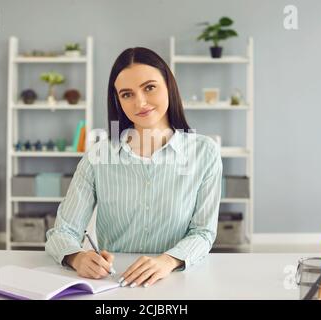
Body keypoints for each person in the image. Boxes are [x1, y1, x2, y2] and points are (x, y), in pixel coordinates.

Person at [46, 47, 222, 288]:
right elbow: (62, 232)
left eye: (149, 87)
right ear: (118, 100)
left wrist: (168, 261)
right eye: (127, 94)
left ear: (169, 85)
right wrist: (77, 258)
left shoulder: (205, 153)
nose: (140, 102)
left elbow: (203, 233)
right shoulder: (98, 156)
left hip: (176, 282)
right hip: (114, 283)